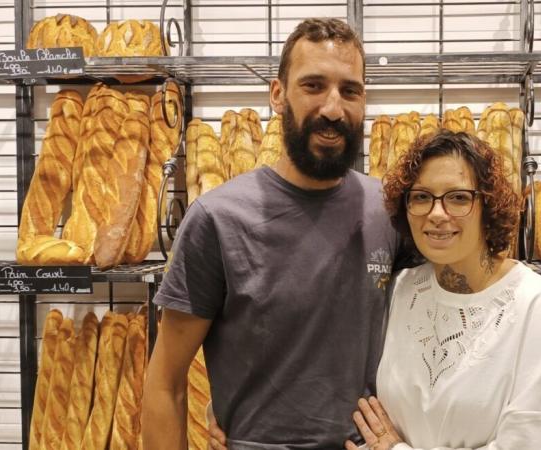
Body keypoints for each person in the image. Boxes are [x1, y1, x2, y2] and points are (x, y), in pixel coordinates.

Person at [142, 18, 407, 450]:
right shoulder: (217, 218)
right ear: (278, 95)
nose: (333, 108)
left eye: (350, 90)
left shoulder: (392, 212)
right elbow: (165, 384)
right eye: (313, 85)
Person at [342, 130, 541, 450]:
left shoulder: (534, 301)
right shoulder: (402, 289)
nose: (437, 214)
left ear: (489, 205)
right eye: (422, 197)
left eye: (458, 197)